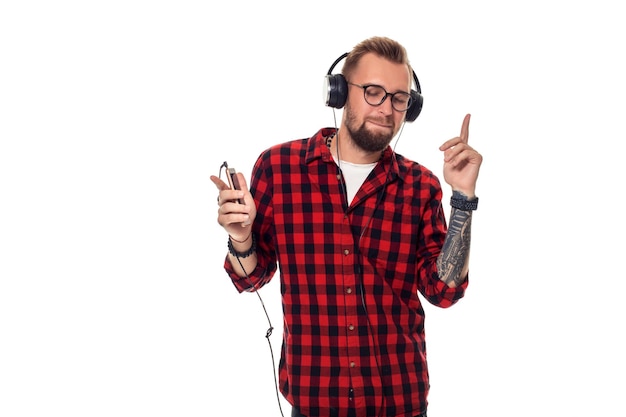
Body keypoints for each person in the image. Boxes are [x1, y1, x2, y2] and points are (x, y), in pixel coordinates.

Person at [210, 36, 482, 417]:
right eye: (373, 92)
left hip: (400, 402)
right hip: (314, 401)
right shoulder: (278, 168)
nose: (386, 109)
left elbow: (443, 292)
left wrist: (463, 199)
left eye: (399, 98)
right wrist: (241, 238)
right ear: (338, 93)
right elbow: (251, 279)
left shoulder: (420, 186)